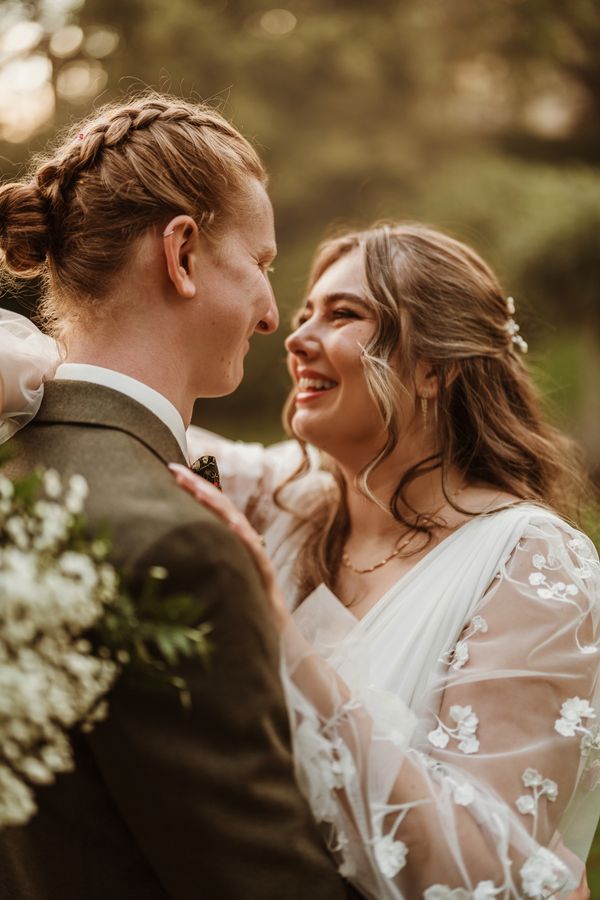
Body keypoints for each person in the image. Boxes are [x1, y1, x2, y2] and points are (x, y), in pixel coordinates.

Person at [167, 224, 600, 898]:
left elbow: (485, 868)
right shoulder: (288, 501)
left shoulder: (530, 563)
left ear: (434, 368)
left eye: (343, 314)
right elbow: (132, 424)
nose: (296, 338)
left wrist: (276, 632)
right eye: (305, 312)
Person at [0, 94, 356, 900]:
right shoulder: (178, 545)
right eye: (262, 266)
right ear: (183, 254)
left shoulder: (13, 478)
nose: (272, 316)